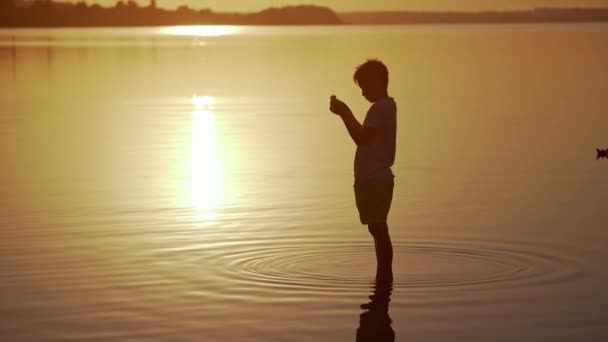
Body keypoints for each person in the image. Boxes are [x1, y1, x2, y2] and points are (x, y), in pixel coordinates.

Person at [329, 58, 397, 280]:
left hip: (376, 180)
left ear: (377, 82)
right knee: (377, 229)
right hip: (374, 179)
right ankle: (383, 277)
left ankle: (384, 275)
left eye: (364, 87)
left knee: (378, 229)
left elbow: (361, 138)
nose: (362, 93)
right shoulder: (387, 106)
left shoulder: (380, 108)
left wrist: (344, 112)